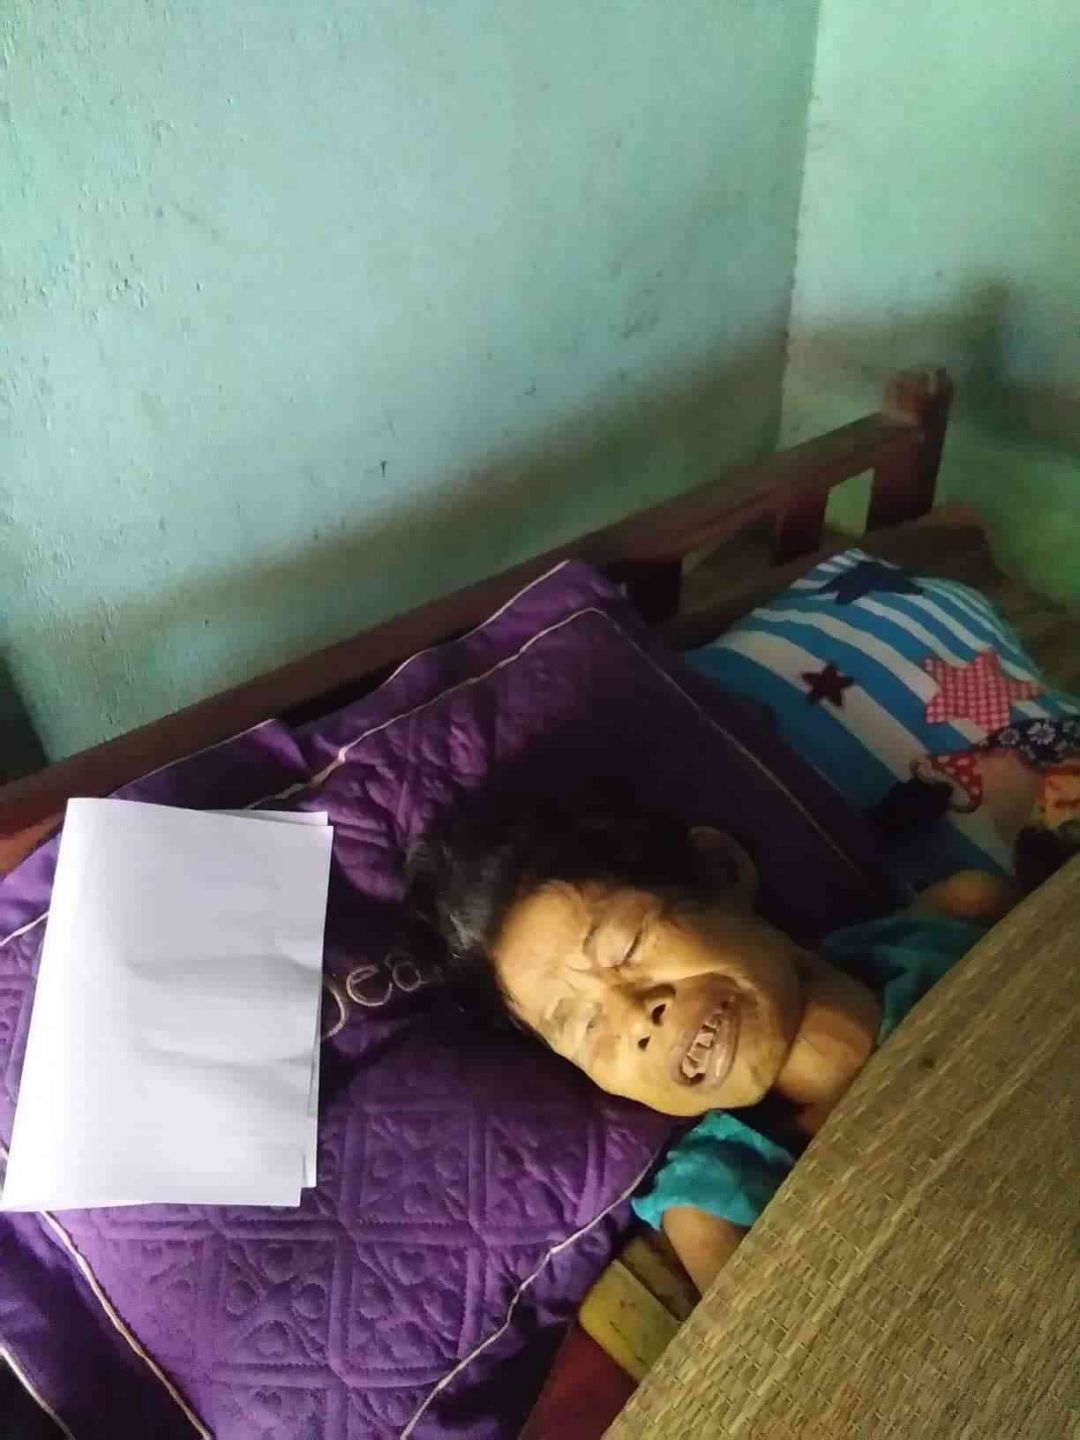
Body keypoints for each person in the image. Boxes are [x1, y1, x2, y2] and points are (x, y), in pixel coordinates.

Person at [407, 778, 1015, 1294]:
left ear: (720, 872)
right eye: (585, 1027)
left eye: (628, 945)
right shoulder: (714, 1199)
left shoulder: (950, 924)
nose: (636, 1018)